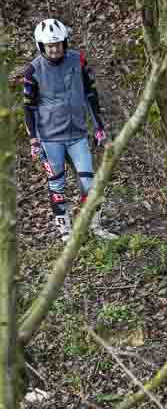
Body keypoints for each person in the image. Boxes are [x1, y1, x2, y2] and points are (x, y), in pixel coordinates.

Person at [23, 18, 117, 242]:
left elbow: (91, 94)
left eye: (58, 44)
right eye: (49, 45)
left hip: (77, 134)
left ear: (65, 42)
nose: (55, 49)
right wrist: (33, 140)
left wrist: (99, 128)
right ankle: (66, 232)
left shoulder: (79, 60)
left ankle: (95, 226)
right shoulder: (32, 70)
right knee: (57, 185)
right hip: (50, 138)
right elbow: (29, 106)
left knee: (89, 182)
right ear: (41, 45)